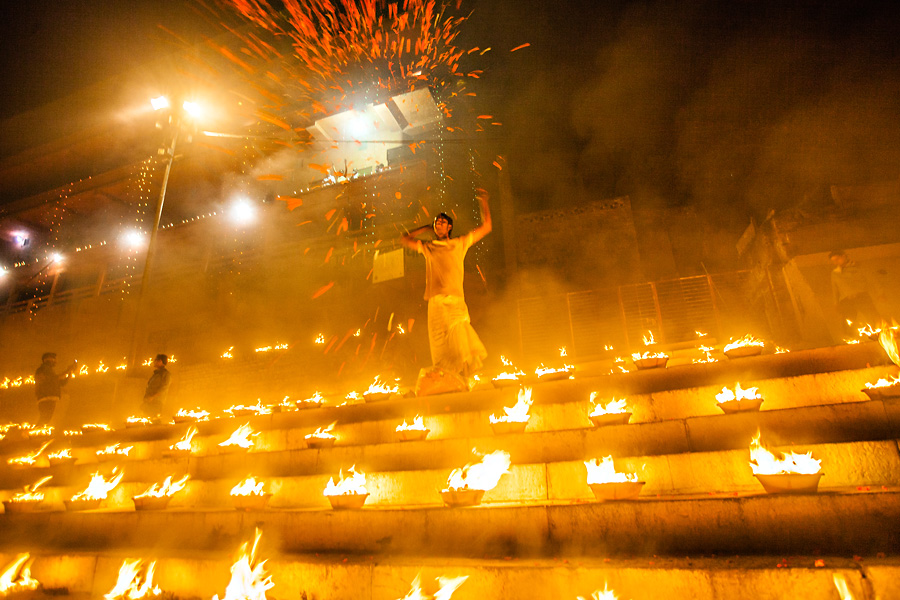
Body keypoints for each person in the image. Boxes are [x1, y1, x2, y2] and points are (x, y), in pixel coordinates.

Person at [400, 189, 492, 392]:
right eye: (436, 222)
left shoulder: (460, 244)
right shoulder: (429, 247)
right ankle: (449, 383)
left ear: (449, 227)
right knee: (440, 348)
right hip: (435, 303)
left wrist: (483, 202)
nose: (438, 224)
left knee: (462, 343)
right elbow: (404, 239)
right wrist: (425, 227)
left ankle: (469, 381)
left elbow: (486, 227)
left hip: (455, 302)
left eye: (442, 222)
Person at [830, 249, 880, 334]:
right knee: (847, 320)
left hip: (862, 297)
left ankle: (878, 335)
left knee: (872, 316)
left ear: (844, 256)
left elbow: (871, 280)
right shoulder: (835, 273)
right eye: (833, 261)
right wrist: (836, 303)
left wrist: (880, 293)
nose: (836, 262)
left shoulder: (858, 266)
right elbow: (835, 289)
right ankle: (850, 339)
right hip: (847, 300)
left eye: (837, 259)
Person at [34, 352, 76, 425]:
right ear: (47, 360)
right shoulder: (43, 369)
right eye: (53, 359)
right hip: (46, 398)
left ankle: (36, 433)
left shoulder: (49, 371)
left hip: (50, 398)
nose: (55, 361)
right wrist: (68, 370)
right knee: (45, 418)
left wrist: (70, 373)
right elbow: (54, 379)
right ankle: (34, 433)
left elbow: (61, 383)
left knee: (47, 419)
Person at [142, 354, 171, 419]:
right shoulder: (156, 374)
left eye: (155, 360)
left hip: (156, 402)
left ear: (160, 361)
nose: (154, 362)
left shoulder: (166, 374)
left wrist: (153, 397)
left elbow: (164, 388)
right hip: (149, 402)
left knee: (154, 420)